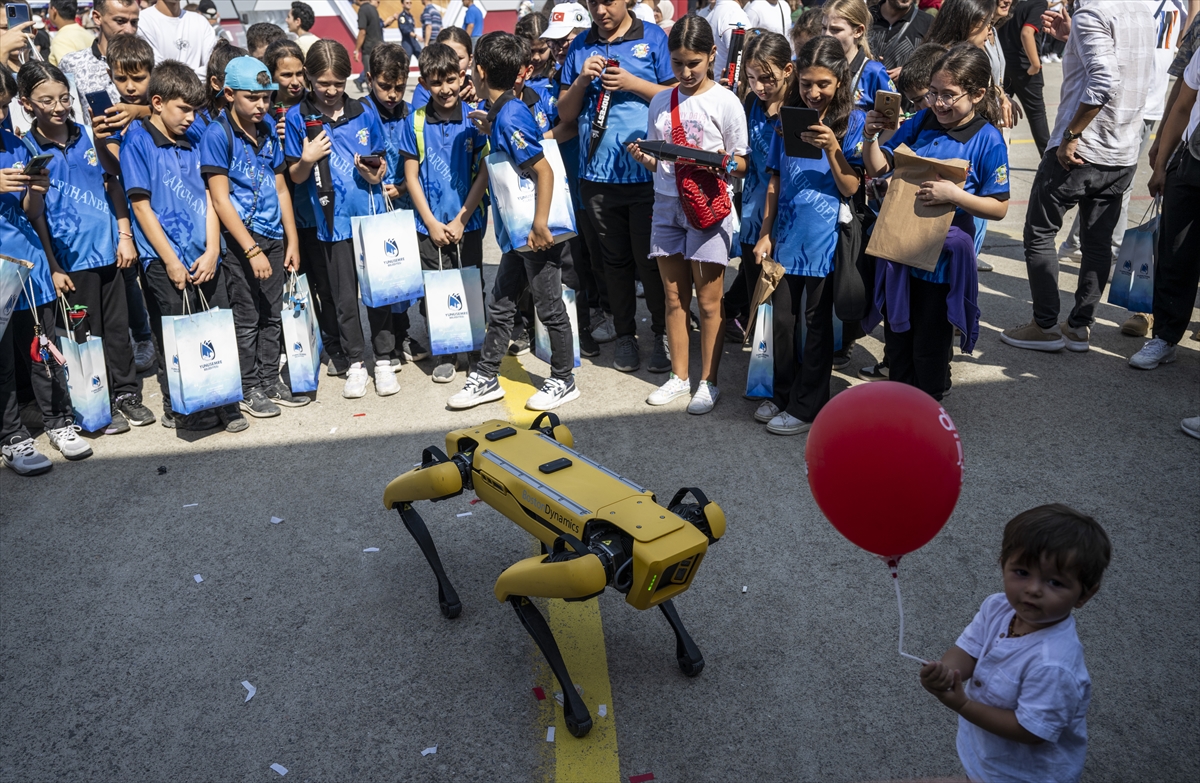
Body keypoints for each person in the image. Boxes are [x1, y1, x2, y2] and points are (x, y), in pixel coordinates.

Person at [1000, 0, 1155, 354]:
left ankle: (1044, 326)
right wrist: (1073, 36)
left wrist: (1071, 135)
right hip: (1122, 149)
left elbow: (1105, 80)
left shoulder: (1093, 14)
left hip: (1082, 150)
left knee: (1040, 232)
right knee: (1098, 243)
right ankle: (1079, 325)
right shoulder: (1140, 10)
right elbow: (1121, 65)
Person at [920, 504, 1110, 783]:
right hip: (993, 762)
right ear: (1003, 564)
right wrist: (946, 673)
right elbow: (969, 650)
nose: (1033, 589)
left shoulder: (1053, 663)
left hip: (1026, 775)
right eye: (1022, 572)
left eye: (1055, 582)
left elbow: (1031, 731)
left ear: (1085, 595)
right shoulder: (997, 607)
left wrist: (962, 705)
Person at [862, 43, 1009, 400]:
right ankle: (899, 404)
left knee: (929, 343)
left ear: (977, 93)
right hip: (901, 251)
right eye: (933, 93)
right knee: (898, 339)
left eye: (949, 95)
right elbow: (881, 167)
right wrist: (869, 138)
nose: (938, 103)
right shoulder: (923, 121)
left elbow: (999, 206)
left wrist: (955, 196)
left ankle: (926, 413)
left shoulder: (987, 140)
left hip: (940, 265)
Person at [18, 61, 156, 435]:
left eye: (64, 98)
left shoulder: (89, 135)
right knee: (83, 336)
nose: (59, 107)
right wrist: (53, 265)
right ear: (26, 103)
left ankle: (127, 394)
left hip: (110, 251)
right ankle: (94, 401)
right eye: (46, 100)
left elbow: (115, 185)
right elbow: (36, 217)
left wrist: (125, 234)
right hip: (69, 262)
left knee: (117, 328)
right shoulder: (27, 149)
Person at [448, 31, 578, 412]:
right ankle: (487, 375)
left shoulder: (509, 115)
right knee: (502, 302)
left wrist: (541, 225)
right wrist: (491, 127)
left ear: (481, 70)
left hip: (532, 230)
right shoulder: (505, 110)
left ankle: (563, 378)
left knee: (549, 304)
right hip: (518, 230)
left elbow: (544, 171)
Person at [628, 15, 747, 415]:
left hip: (709, 208)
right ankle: (680, 377)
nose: (685, 71)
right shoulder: (662, 101)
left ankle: (708, 382)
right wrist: (645, 157)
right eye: (677, 63)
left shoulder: (726, 101)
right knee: (673, 297)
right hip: (666, 204)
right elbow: (660, 163)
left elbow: (744, 163)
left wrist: (722, 165)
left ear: (713, 55)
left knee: (710, 301)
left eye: (693, 62)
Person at [750, 35, 862, 434]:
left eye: (823, 84)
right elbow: (775, 179)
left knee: (815, 326)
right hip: (786, 236)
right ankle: (782, 394)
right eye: (806, 83)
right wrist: (766, 232)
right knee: (782, 321)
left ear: (840, 80)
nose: (813, 92)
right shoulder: (788, 118)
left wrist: (833, 148)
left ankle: (807, 405)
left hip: (825, 240)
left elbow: (851, 187)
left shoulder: (853, 121)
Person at [556, 0, 674, 374]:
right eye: (593, 3)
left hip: (646, 174)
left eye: (608, 1)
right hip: (597, 177)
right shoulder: (580, 47)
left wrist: (633, 84)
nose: (600, 9)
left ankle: (662, 335)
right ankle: (625, 335)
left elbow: (677, 100)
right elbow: (566, 114)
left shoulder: (653, 38)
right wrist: (581, 81)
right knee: (614, 263)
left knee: (650, 262)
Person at [119, 60, 229, 431]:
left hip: (204, 252)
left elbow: (213, 196)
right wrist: (170, 260)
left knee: (212, 327)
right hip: (164, 259)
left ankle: (220, 396)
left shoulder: (196, 133)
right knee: (175, 333)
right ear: (157, 102)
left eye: (195, 110)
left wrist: (213, 248)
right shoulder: (137, 140)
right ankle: (181, 406)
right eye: (183, 108)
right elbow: (140, 205)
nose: (190, 117)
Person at [283, 40, 391, 398]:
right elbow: (295, 177)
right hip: (331, 224)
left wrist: (376, 173)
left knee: (378, 291)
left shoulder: (364, 111)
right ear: (309, 78)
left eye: (338, 83)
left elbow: (381, 158)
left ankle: (385, 359)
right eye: (323, 82)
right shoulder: (299, 117)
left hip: (369, 218)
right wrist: (308, 157)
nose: (330, 90)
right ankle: (357, 362)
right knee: (344, 297)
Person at [201, 56, 307, 418]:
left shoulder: (266, 131)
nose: (262, 105)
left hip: (274, 237)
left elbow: (281, 189)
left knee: (272, 314)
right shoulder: (218, 134)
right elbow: (219, 199)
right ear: (229, 94)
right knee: (246, 319)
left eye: (267, 97)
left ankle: (268, 378)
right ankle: (247, 386)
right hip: (241, 243)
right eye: (253, 97)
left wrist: (291, 240)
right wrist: (250, 249)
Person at [0, 68, 93, 466]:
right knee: (3, 362)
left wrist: (36, 190)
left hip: (29, 265)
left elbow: (32, 213)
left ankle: (58, 420)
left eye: (1, 105)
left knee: (42, 349)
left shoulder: (14, 144)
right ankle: (12, 435)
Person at [399, 43, 489, 384]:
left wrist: (462, 219)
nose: (445, 89)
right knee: (436, 287)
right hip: (430, 224)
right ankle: (446, 353)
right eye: (436, 83)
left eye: (451, 79)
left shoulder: (474, 119)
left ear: (462, 76)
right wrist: (432, 223)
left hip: (468, 221)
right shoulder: (416, 122)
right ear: (424, 83)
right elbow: (411, 176)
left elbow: (482, 172)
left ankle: (477, 349)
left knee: (471, 284)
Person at [1137, 47, 1198, 372]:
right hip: (1191, 163)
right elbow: (1182, 106)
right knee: (1174, 255)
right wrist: (1161, 166)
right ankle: (1166, 337)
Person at [822, 0, 895, 111]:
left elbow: (895, 122)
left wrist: (868, 127)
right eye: (824, 28)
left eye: (836, 30)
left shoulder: (875, 73)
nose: (826, 35)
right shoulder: (818, 67)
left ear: (858, 31)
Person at [999, 0, 1049, 157]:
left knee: (998, 112)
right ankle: (1049, 160)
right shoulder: (1038, 3)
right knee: (1036, 115)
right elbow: (1027, 32)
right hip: (1025, 67)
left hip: (1004, 64)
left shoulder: (1012, 3)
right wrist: (1035, 63)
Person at [137, 0, 217, 78]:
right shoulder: (142, 20)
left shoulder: (200, 22)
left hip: (199, 90)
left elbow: (213, 67)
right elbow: (159, 72)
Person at [869, 0, 935, 78]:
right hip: (861, 86)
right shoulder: (865, 15)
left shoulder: (927, 23)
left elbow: (935, 62)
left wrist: (909, 71)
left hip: (901, 89)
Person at [705, 0, 750, 82]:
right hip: (730, 88)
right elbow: (740, 57)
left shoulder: (712, 14)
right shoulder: (734, 14)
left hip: (719, 85)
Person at [47, 0, 94, 66]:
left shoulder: (61, 40)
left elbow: (69, 72)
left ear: (54, 10)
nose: (48, 12)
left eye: (48, 8)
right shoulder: (88, 35)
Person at [355, 0, 385, 89]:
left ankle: (372, 102)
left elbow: (362, 32)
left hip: (369, 49)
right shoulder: (373, 8)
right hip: (378, 47)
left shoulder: (363, 10)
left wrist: (356, 49)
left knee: (370, 79)